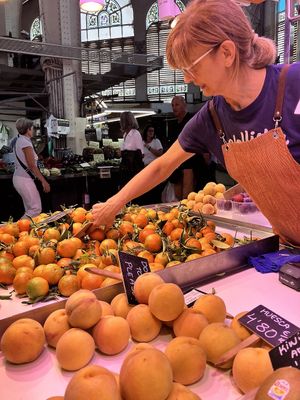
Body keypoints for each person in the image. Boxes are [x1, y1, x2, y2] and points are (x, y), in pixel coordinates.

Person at [92, 0, 300, 246]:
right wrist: (114, 203)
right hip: (290, 247)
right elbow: (163, 166)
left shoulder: (294, 85)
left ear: (227, 52)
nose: (187, 78)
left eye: (192, 66)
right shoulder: (213, 118)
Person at [169, 96, 214, 198]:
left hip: (193, 157)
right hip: (178, 160)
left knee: (190, 186)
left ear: (184, 106)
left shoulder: (192, 119)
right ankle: (181, 206)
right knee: (177, 189)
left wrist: (206, 152)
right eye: (172, 105)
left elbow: (204, 135)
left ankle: (187, 207)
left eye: (177, 104)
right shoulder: (174, 124)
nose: (174, 108)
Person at [13, 118, 50, 219]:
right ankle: (13, 229)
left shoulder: (20, 140)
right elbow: (32, 165)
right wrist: (44, 181)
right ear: (28, 129)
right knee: (35, 209)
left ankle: (26, 233)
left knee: (30, 210)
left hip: (20, 178)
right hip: (24, 179)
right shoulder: (25, 142)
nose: (33, 130)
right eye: (32, 128)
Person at [119, 111, 144, 188]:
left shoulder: (135, 134)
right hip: (126, 168)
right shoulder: (125, 135)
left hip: (133, 169)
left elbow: (141, 153)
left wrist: (125, 153)